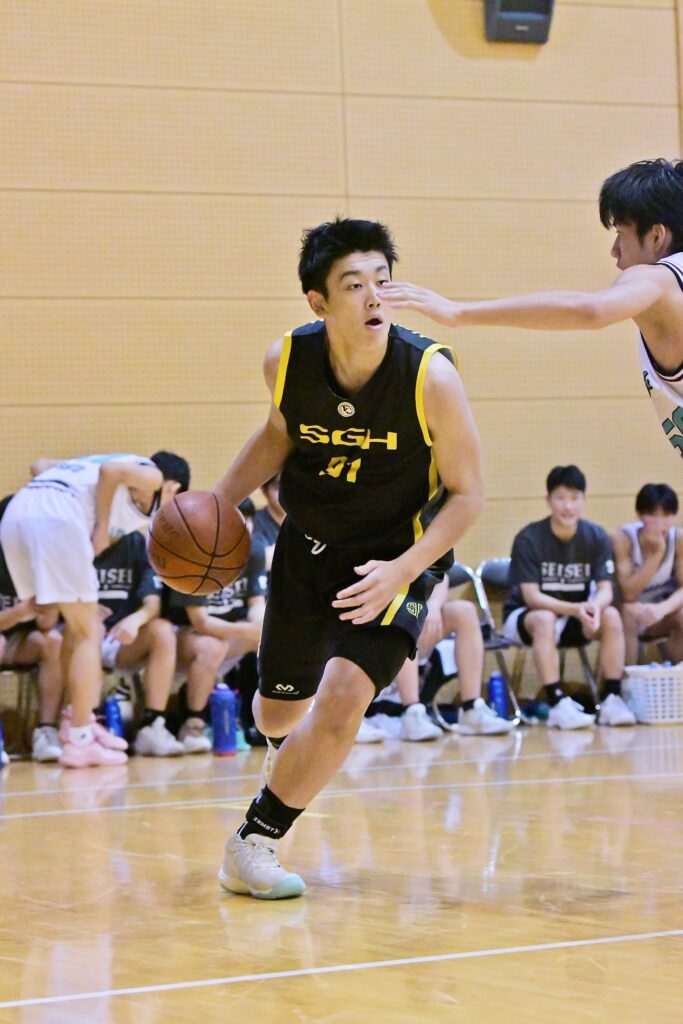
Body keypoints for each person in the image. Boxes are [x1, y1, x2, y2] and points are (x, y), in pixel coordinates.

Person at [212, 216, 484, 899]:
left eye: (382, 281)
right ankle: (286, 759)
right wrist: (217, 502)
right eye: (353, 284)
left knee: (342, 701)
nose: (373, 297)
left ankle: (254, 841)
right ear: (319, 302)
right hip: (308, 549)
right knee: (277, 716)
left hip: (396, 561)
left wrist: (405, 570)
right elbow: (278, 433)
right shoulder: (286, 361)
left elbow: (468, 495)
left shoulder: (430, 376)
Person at [379, 159, 683, 463]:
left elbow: (590, 310)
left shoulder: (655, 278)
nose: (614, 250)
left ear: (656, 236)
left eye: (621, 233)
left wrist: (458, 312)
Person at [0, 451, 190, 768]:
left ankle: (78, 720)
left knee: (73, 626)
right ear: (173, 488)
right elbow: (110, 471)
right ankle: (81, 738)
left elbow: (41, 465)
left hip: (17, 515)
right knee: (91, 629)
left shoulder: (89, 473)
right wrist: (101, 528)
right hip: (57, 518)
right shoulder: (153, 476)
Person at [502, 465, 635, 729]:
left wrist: (593, 608)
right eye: (561, 497)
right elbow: (532, 597)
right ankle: (557, 704)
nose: (568, 506)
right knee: (544, 617)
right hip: (526, 619)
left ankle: (612, 698)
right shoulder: (529, 538)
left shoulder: (596, 536)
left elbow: (606, 590)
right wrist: (576, 609)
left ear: (584, 500)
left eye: (575, 498)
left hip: (576, 616)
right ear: (548, 500)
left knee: (611, 615)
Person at [360, 576, 515, 741]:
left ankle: (472, 709)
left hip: (411, 615)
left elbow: (441, 575)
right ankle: (411, 712)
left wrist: (433, 606)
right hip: (373, 623)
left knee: (464, 611)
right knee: (402, 615)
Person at [167, 542, 267, 753]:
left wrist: (260, 624)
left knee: (273, 638)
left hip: (229, 634)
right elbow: (200, 622)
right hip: (186, 637)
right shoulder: (195, 553)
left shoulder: (253, 550)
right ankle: (193, 725)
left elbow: (257, 603)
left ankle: (266, 719)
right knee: (212, 647)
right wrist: (248, 630)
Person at [94, 530, 183, 757]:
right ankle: (84, 726)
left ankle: (153, 726)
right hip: (80, 636)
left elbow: (152, 604)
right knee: (88, 631)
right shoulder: (77, 537)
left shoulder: (138, 543)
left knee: (163, 631)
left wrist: (135, 620)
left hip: (121, 641)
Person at [0, 498, 64, 762]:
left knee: (52, 641)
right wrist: (21, 611)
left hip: (20, 641)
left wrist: (50, 604)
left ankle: (46, 731)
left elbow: (45, 625)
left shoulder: (43, 558)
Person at [613, 483, 683, 664]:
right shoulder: (624, 538)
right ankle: (627, 679)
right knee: (628, 611)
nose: (660, 523)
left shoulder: (679, 540)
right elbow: (628, 594)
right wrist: (657, 555)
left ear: (675, 516)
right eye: (652, 515)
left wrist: (663, 608)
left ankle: (677, 676)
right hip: (628, 614)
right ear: (639, 515)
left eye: (666, 515)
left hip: (661, 612)